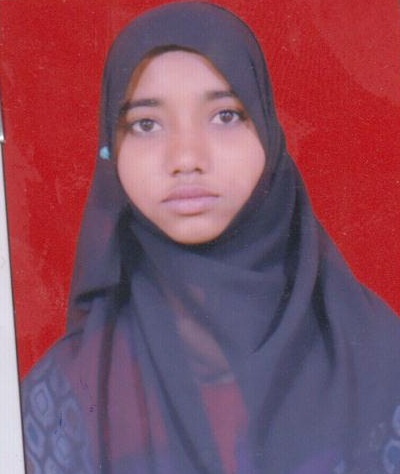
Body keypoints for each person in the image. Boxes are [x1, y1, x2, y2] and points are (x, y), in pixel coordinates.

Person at [21, 2, 400, 473]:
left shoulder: (382, 361)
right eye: (145, 124)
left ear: (268, 132)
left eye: (226, 115)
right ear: (111, 151)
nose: (186, 158)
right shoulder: (61, 401)